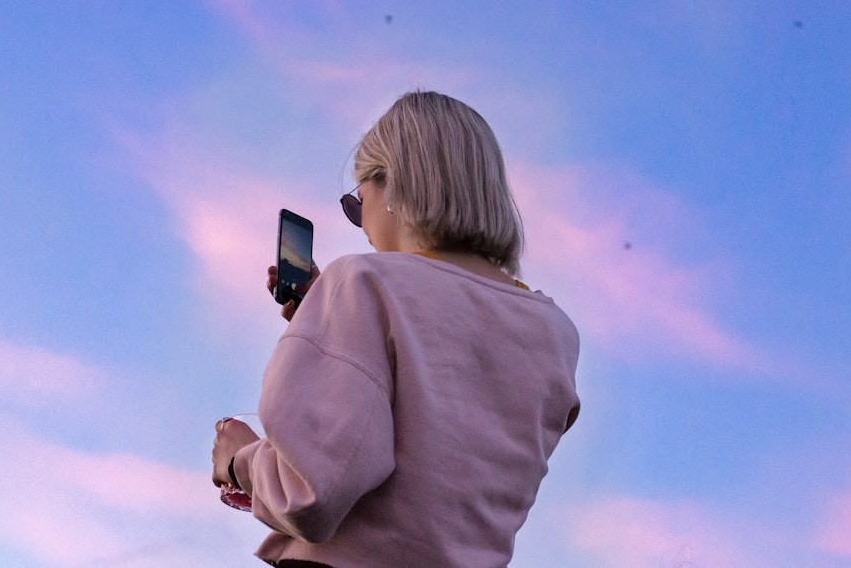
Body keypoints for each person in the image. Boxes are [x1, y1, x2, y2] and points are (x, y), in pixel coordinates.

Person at [213, 90, 580, 568]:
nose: (361, 224)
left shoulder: (363, 284)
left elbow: (311, 493)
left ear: (394, 188)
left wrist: (240, 460)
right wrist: (334, 316)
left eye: (357, 202)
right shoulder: (553, 331)